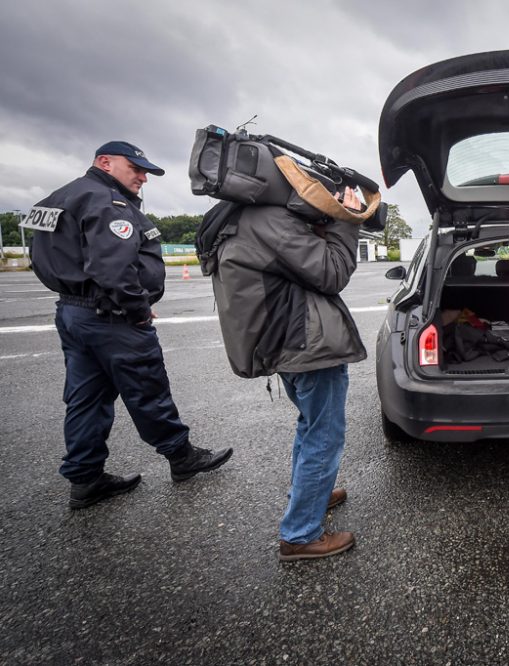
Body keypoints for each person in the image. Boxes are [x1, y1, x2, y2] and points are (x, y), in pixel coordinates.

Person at [28, 141, 233, 509]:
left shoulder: (56, 198)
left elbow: (41, 257)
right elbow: (114, 267)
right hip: (111, 317)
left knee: (85, 398)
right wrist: (135, 308)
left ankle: (85, 478)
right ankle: (181, 457)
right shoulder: (108, 201)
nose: (142, 177)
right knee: (147, 386)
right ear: (104, 162)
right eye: (135, 168)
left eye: (146, 171)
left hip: (74, 312)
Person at [198, 187, 367, 562]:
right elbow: (332, 272)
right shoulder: (269, 220)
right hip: (304, 343)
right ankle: (301, 534)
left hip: (285, 341)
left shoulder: (234, 216)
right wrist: (346, 221)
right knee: (323, 434)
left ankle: (311, 500)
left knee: (310, 426)